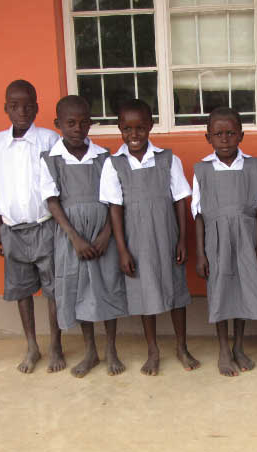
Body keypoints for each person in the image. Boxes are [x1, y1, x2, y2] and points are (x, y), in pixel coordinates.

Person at [100, 99, 200, 376]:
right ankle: (153, 350)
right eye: (127, 129)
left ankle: (181, 346)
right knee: (144, 293)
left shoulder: (168, 159)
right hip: (135, 240)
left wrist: (182, 240)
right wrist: (122, 250)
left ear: (150, 126)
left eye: (140, 128)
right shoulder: (113, 164)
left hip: (167, 236)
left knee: (176, 291)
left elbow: (180, 200)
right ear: (119, 128)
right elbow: (114, 208)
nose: (134, 134)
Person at [40, 95, 128, 377]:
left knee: (107, 285)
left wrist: (107, 234)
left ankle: (111, 349)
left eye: (83, 122)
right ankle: (91, 351)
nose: (77, 128)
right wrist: (74, 238)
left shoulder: (104, 157)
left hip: (103, 233)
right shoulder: (51, 159)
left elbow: (115, 198)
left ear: (90, 123)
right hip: (72, 237)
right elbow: (52, 201)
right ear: (58, 124)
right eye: (70, 123)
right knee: (80, 290)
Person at [0, 79, 65, 374]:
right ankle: (32, 346)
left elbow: (60, 184)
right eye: (15, 106)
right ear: (6, 108)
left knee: (53, 289)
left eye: (28, 106)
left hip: (45, 227)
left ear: (36, 108)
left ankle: (55, 345)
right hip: (12, 230)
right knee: (22, 290)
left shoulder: (49, 139)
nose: (22, 112)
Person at [192, 107, 257, 377]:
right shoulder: (202, 170)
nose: (225, 139)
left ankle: (238, 346)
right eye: (218, 134)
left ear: (241, 135)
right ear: (208, 137)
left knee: (244, 290)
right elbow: (198, 214)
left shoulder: (255, 166)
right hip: (216, 240)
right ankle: (223, 348)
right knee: (220, 291)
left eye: (231, 133)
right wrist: (201, 254)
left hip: (247, 238)